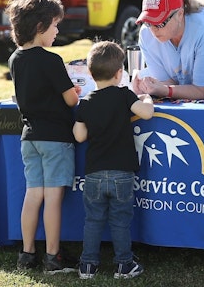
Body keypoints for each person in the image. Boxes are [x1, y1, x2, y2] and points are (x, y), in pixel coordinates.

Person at [6, 0, 82, 273]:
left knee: (32, 195)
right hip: (55, 139)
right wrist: (75, 91)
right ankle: (53, 257)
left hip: (30, 137)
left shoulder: (15, 59)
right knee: (53, 198)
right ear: (40, 28)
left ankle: (27, 255)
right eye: (54, 25)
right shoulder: (51, 61)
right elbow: (71, 100)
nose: (57, 30)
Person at [72, 41, 154, 280]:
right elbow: (146, 113)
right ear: (120, 74)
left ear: (90, 73)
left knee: (93, 220)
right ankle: (124, 265)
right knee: (120, 220)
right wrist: (146, 98)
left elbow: (79, 136)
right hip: (122, 172)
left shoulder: (86, 101)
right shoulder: (124, 95)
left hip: (95, 173)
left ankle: (87, 265)